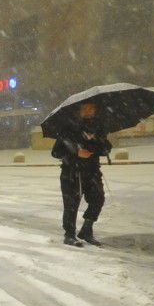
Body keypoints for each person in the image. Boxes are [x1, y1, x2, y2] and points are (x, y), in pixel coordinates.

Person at [51, 101, 110, 246]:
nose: (89, 111)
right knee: (71, 204)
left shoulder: (99, 128)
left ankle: (86, 230)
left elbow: (105, 148)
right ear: (79, 111)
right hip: (72, 173)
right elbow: (55, 152)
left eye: (92, 108)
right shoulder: (68, 129)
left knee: (98, 199)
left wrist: (101, 145)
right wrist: (77, 152)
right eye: (86, 108)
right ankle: (69, 234)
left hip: (93, 172)